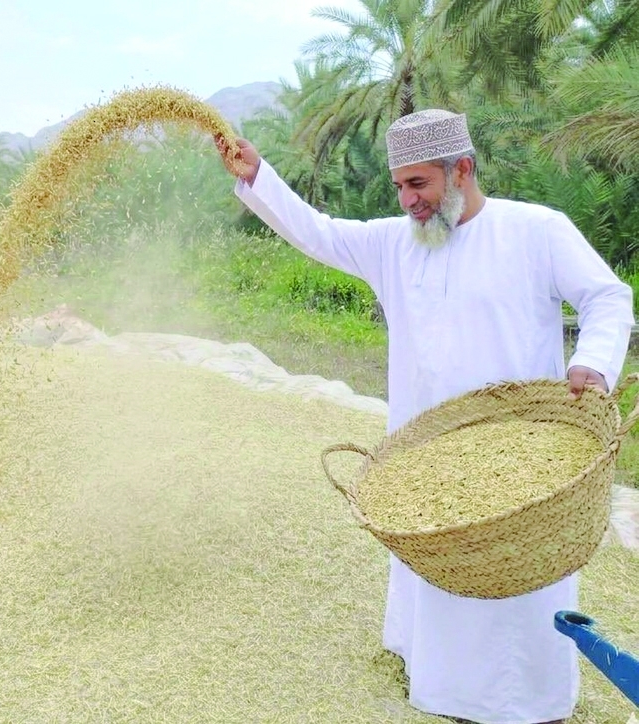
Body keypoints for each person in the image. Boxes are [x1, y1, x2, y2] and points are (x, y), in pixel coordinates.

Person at [215, 109, 635, 724]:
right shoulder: (395, 243)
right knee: (439, 581)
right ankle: (438, 684)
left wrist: (593, 364)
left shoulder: (536, 230)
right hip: (425, 466)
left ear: (461, 169)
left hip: (521, 463)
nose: (408, 200)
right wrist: (258, 177)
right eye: (400, 187)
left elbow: (607, 297)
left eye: (420, 185)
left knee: (512, 583)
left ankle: (522, 705)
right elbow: (319, 233)